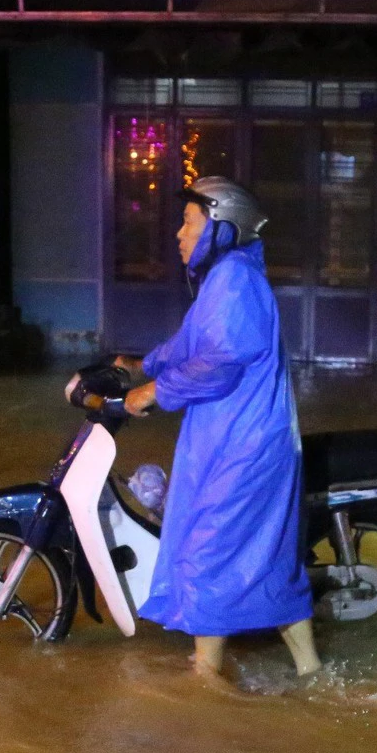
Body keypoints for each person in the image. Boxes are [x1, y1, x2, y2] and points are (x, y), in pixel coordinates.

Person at [114, 176, 321, 681]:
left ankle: (204, 682)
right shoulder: (226, 278)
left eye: (189, 223)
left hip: (245, 448)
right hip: (239, 441)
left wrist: (153, 393)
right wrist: (143, 365)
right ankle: (313, 674)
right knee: (267, 560)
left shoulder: (235, 280)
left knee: (208, 552)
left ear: (222, 228)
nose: (179, 235)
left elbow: (219, 363)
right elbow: (189, 345)